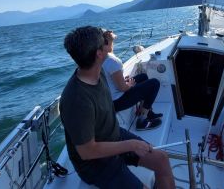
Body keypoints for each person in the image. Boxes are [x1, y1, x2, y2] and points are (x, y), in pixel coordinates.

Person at [60, 26, 175, 188]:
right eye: (104, 44)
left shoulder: (97, 71)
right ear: (99, 54)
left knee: (162, 159)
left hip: (114, 136)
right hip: (96, 165)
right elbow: (87, 152)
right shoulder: (76, 100)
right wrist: (131, 145)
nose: (109, 46)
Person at [102, 30, 163, 130]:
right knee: (154, 84)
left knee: (143, 76)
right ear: (106, 42)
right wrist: (129, 84)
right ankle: (142, 122)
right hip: (118, 101)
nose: (111, 31)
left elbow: (110, 80)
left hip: (111, 99)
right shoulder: (111, 61)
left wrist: (123, 80)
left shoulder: (102, 58)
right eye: (111, 40)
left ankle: (146, 112)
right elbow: (122, 88)